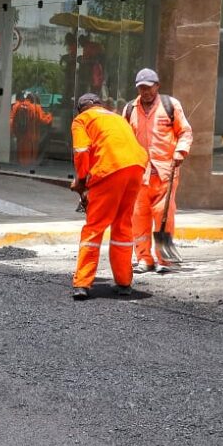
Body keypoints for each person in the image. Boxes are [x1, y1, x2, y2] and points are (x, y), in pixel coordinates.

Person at [69, 93, 148, 300]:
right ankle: (124, 282)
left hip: (110, 168)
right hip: (136, 168)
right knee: (123, 225)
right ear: (99, 105)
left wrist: (82, 179)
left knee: (94, 227)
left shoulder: (82, 120)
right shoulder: (116, 118)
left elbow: (81, 150)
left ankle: (82, 283)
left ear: (81, 108)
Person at [124, 68, 193, 274]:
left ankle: (165, 260)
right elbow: (124, 139)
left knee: (164, 218)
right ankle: (144, 259)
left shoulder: (170, 105)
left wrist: (180, 152)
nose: (145, 91)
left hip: (165, 174)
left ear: (157, 86)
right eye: (141, 88)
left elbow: (185, 132)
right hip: (139, 174)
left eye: (149, 87)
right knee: (139, 219)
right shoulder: (130, 109)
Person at [10, 91, 53, 167]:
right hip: (32, 138)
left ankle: (21, 169)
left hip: (21, 137)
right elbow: (45, 120)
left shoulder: (18, 106)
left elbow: (12, 121)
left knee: (21, 157)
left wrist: (15, 133)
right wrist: (50, 115)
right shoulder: (36, 108)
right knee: (30, 161)